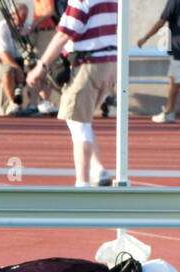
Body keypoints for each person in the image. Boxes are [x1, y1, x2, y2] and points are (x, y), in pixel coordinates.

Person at [27, 0, 116, 187]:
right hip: (109, 64)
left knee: (78, 123)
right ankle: (97, 169)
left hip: (88, 64)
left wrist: (40, 66)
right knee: (82, 120)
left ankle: (82, 183)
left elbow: (63, 35)